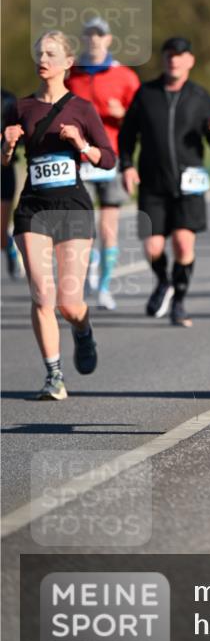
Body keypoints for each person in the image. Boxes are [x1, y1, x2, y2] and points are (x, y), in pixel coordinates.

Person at [1, 31, 115, 399]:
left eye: (51, 54)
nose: (43, 59)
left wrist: (80, 144)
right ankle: (54, 375)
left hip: (73, 209)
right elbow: (3, 162)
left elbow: (108, 158)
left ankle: (82, 329)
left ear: (68, 62)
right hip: (33, 208)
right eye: (39, 53)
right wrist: (6, 145)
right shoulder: (19, 108)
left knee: (69, 302)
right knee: (42, 296)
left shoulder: (81, 108)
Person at [119, 37, 210, 328]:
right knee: (152, 247)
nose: (174, 60)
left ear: (190, 60)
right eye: (169, 55)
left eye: (180, 55)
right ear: (164, 59)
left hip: (189, 184)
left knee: (182, 243)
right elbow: (126, 135)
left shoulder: (199, 96)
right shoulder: (146, 94)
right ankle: (163, 282)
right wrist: (127, 166)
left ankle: (179, 301)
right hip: (153, 184)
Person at [66, 16, 141, 310]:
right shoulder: (71, 74)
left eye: (100, 35)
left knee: (108, 227)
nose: (94, 40)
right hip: (79, 158)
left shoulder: (125, 76)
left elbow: (139, 121)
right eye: (89, 35)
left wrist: (122, 113)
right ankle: (91, 266)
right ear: (83, 40)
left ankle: (105, 288)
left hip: (110, 158)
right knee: (81, 225)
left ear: (108, 40)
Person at [1, 87, 23, 277]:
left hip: (4, 170)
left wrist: (7, 142)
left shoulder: (8, 100)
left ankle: (9, 248)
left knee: (0, 234)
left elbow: (20, 137)